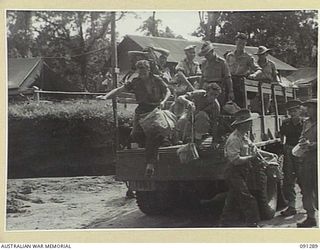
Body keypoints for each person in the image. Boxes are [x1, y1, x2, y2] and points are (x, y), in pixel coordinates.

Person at [97, 60, 171, 177]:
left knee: (154, 134)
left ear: (148, 69)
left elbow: (168, 90)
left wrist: (164, 101)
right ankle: (157, 145)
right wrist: (105, 96)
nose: (141, 70)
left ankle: (150, 163)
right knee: (135, 135)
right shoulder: (135, 81)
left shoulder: (156, 79)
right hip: (141, 110)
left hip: (155, 110)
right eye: (139, 68)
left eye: (143, 68)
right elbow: (119, 89)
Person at [219, 109, 277, 227]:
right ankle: (253, 224)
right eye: (249, 122)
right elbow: (235, 160)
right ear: (242, 124)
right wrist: (251, 158)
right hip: (234, 172)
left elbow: (254, 149)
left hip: (241, 171)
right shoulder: (234, 139)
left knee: (233, 198)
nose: (251, 124)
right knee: (248, 199)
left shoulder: (244, 136)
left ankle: (224, 223)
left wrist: (268, 154)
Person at [279, 100, 303, 216]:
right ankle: (292, 206)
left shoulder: (305, 123)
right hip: (288, 151)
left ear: (300, 111)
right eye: (290, 111)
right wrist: (283, 146)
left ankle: (310, 204)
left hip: (301, 151)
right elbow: (282, 135)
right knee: (288, 179)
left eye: (295, 111)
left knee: (303, 178)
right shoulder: (285, 123)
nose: (293, 113)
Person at [296, 99, 318, 227]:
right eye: (307, 107)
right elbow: (302, 136)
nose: (307, 110)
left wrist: (312, 145)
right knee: (306, 189)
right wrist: (302, 142)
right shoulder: (306, 122)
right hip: (306, 159)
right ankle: (310, 217)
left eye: (310, 107)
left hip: (317, 158)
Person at [225, 33, 262, 107]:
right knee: (226, 103)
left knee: (240, 105)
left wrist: (254, 75)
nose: (240, 46)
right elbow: (225, 69)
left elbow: (259, 70)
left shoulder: (248, 57)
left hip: (240, 83)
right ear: (236, 42)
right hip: (229, 82)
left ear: (245, 44)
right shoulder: (229, 56)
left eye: (243, 44)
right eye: (239, 43)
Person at [170, 45, 202, 118]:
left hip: (192, 90)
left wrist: (189, 79)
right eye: (191, 53)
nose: (193, 55)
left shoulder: (196, 64)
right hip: (181, 90)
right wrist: (191, 84)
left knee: (191, 111)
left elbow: (199, 76)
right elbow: (180, 75)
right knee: (178, 111)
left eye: (194, 53)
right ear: (186, 53)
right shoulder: (181, 63)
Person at [198, 41, 234, 106]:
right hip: (206, 89)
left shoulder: (222, 62)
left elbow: (228, 77)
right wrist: (199, 90)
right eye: (205, 55)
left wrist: (231, 92)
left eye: (207, 55)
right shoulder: (204, 63)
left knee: (216, 109)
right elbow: (202, 78)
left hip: (217, 89)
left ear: (212, 52)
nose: (206, 57)